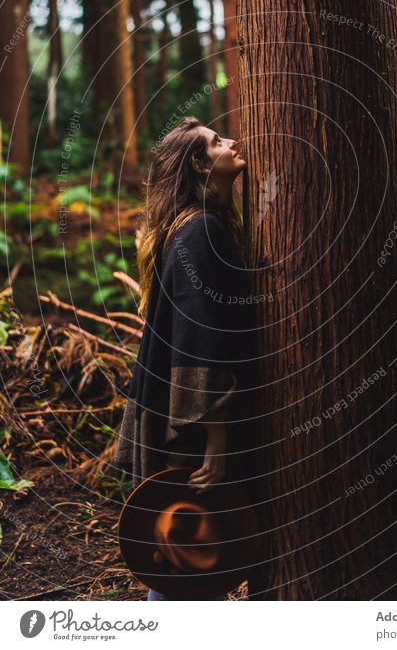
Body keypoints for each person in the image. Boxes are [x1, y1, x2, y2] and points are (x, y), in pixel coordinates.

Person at [114, 116, 260, 601]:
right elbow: (201, 340)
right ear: (200, 165)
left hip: (176, 405)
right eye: (218, 142)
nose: (234, 142)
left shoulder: (190, 226)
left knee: (188, 556)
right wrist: (215, 440)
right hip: (193, 420)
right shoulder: (199, 233)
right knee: (189, 547)